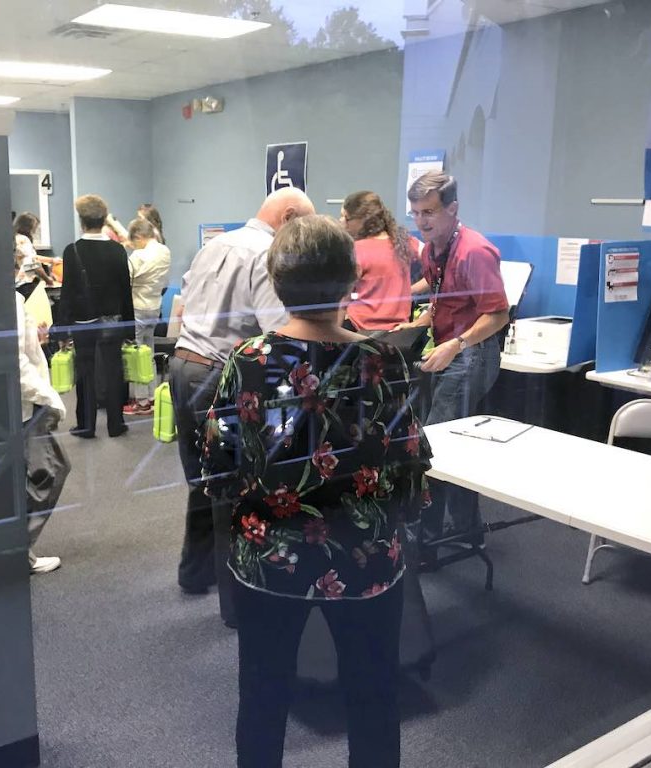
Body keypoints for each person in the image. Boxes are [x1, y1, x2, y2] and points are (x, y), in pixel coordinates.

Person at [201, 215, 432, 768]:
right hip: (366, 557)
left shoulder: (249, 362)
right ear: (351, 280)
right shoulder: (384, 360)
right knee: (374, 695)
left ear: (277, 282)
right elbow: (410, 466)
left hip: (271, 555)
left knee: (262, 694)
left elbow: (218, 462)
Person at [171, 187, 315, 625]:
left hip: (181, 365)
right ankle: (237, 608)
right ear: (288, 216)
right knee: (233, 490)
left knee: (203, 479)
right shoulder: (269, 253)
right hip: (219, 374)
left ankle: (194, 573)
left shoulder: (216, 244)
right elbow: (277, 331)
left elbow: (182, 305)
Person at [398, 172, 509, 544]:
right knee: (450, 440)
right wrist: (408, 308)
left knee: (435, 443)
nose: (421, 221)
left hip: (472, 353)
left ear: (453, 208)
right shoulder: (433, 248)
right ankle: (466, 526)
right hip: (448, 348)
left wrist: (457, 344)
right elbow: (440, 288)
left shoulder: (475, 251)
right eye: (415, 213)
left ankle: (428, 535)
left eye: (429, 211)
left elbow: (498, 314)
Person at [58, 194, 135, 439]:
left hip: (83, 323)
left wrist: (61, 329)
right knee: (113, 371)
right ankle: (116, 423)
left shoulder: (72, 251)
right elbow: (126, 291)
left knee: (85, 372)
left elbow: (67, 292)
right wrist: (129, 329)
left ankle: (86, 425)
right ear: (104, 220)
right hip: (112, 320)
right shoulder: (117, 250)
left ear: (81, 221)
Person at [16, 255, 67, 573]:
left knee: (46, 469)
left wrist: (34, 334)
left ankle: (17, 548)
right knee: (50, 470)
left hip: (22, 401)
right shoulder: (5, 300)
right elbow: (16, 363)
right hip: (26, 402)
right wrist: (51, 399)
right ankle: (18, 549)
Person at [340, 191, 422, 331]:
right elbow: (441, 266)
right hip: (399, 333)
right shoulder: (405, 241)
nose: (341, 222)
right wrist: (409, 291)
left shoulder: (357, 249)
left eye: (346, 218)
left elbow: (343, 299)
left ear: (362, 220)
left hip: (361, 331)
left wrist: (333, 331)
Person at [123, 217, 171, 416]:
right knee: (149, 354)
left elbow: (126, 281)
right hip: (154, 308)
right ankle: (151, 398)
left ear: (140, 237)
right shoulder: (164, 251)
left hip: (137, 307)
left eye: (134, 241)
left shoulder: (137, 257)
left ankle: (141, 401)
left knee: (136, 356)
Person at [14, 212, 55, 290]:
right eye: (35, 227)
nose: (35, 230)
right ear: (28, 227)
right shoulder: (24, 240)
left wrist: (51, 260)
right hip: (24, 283)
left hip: (16, 282)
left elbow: (31, 257)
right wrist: (47, 279)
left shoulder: (16, 239)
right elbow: (33, 265)